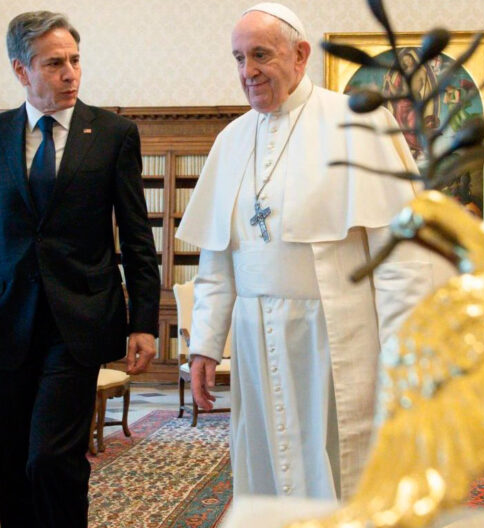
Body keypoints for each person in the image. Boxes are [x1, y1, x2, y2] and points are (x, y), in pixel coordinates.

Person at [177, 3, 441, 501]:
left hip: (336, 333)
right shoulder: (230, 140)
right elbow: (217, 260)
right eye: (238, 58)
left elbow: (400, 259)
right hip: (255, 336)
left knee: (342, 460)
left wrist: (407, 354)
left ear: (300, 55)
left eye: (260, 55)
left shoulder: (360, 124)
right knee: (263, 458)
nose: (247, 71)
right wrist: (206, 345)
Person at [0, 11, 160, 528]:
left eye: (75, 60)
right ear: (22, 71)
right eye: (54, 63)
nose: (71, 73)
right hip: (8, 321)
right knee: (12, 463)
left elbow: (137, 236)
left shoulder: (112, 134)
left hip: (78, 322)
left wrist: (144, 322)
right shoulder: (1, 133)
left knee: (51, 458)